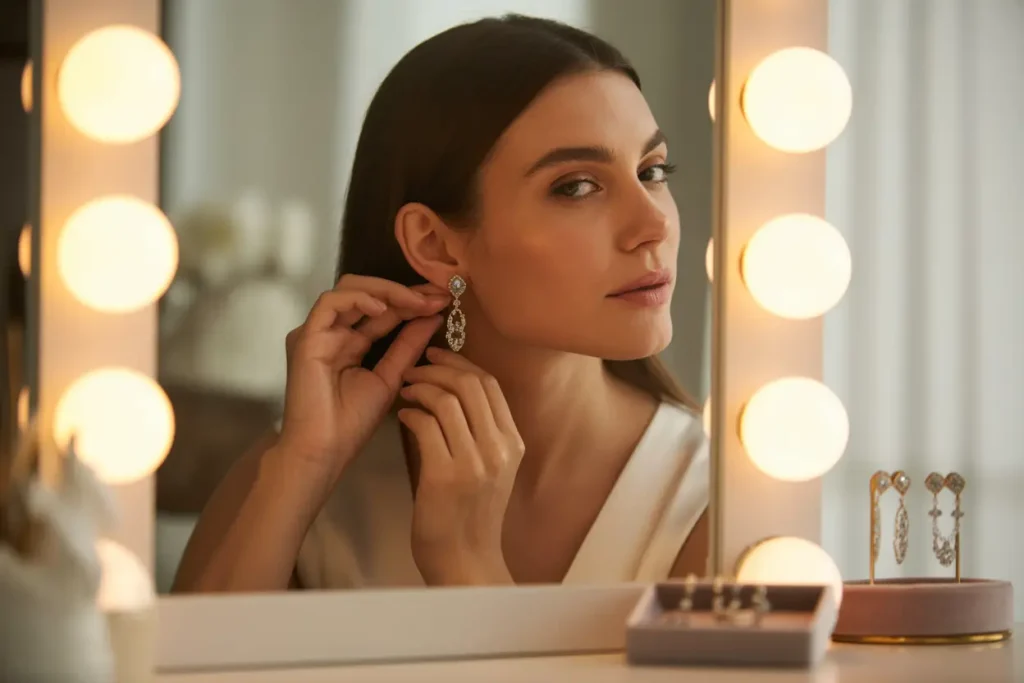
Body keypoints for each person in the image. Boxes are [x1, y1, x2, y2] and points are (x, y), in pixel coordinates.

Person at [173, 13, 709, 593]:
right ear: (434, 244)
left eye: (652, 171)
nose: (654, 224)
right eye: (577, 186)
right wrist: (301, 469)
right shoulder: (303, 477)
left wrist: (468, 565)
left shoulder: (719, 500)